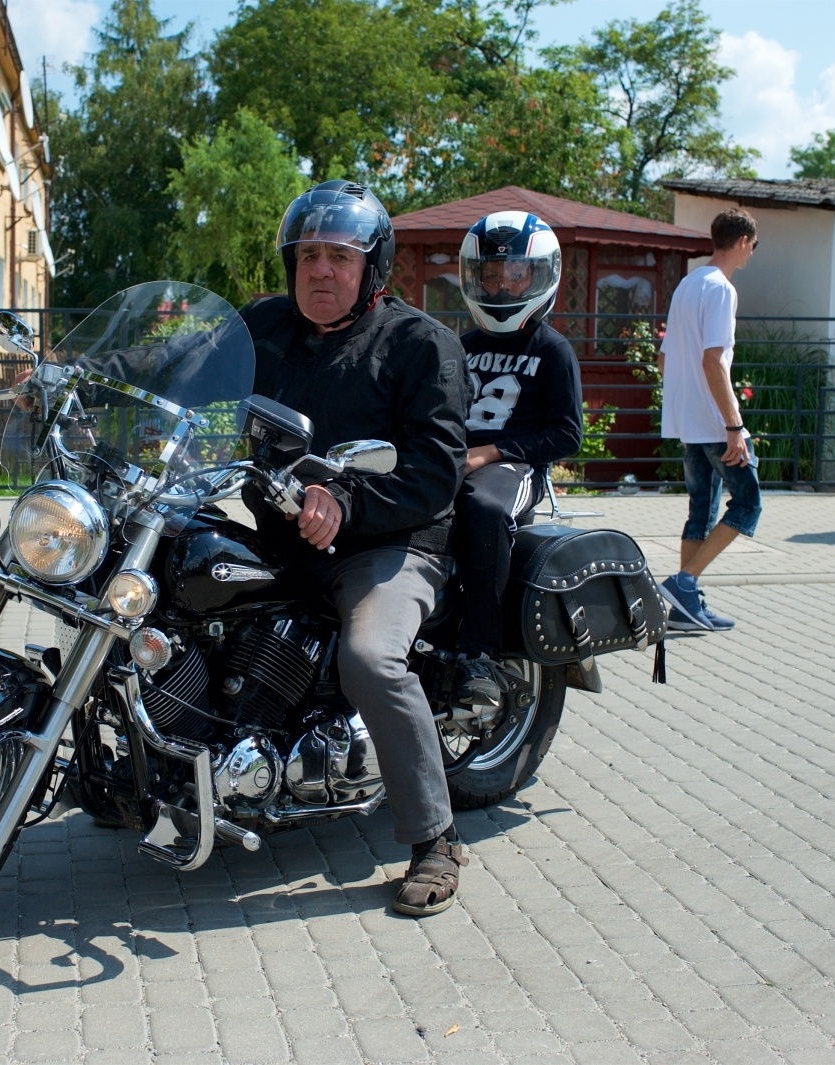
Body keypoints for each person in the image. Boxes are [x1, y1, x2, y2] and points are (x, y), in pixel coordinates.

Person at [238, 180, 473, 916]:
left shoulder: (419, 344)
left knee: (369, 656)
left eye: (339, 255)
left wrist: (347, 501)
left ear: (372, 266)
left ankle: (433, 835)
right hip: (283, 529)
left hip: (390, 541)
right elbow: (182, 358)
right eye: (307, 254)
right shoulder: (268, 328)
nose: (320, 271)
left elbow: (435, 475)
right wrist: (77, 379)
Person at [452, 211, 584, 706]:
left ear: (540, 275)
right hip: (455, 461)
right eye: (490, 273)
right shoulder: (458, 346)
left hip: (513, 470)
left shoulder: (553, 351)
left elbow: (567, 434)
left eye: (516, 274)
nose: (502, 285)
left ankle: (479, 655)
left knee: (483, 512)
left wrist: (491, 452)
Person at [655, 208, 762, 632]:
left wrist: (684, 412)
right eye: (754, 243)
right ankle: (684, 582)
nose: (754, 251)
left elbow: (665, 359)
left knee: (701, 510)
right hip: (715, 422)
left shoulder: (687, 284)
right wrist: (734, 426)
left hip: (688, 420)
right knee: (749, 503)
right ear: (741, 241)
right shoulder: (721, 288)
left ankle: (685, 605)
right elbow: (713, 360)